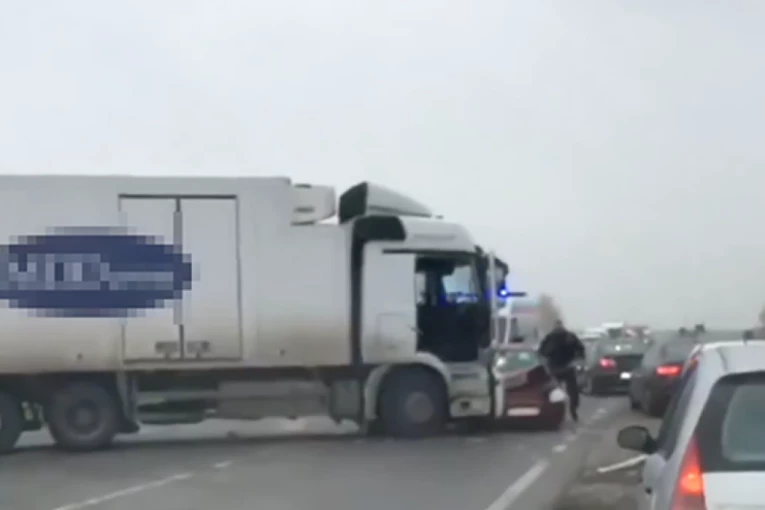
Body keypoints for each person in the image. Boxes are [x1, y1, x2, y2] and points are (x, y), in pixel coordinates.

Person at [537, 320, 586, 422]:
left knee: (571, 392)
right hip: (559, 367)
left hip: (561, 367)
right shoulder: (554, 337)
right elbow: (542, 352)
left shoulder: (561, 337)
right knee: (569, 391)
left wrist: (578, 359)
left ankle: (570, 410)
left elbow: (542, 352)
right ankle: (567, 410)